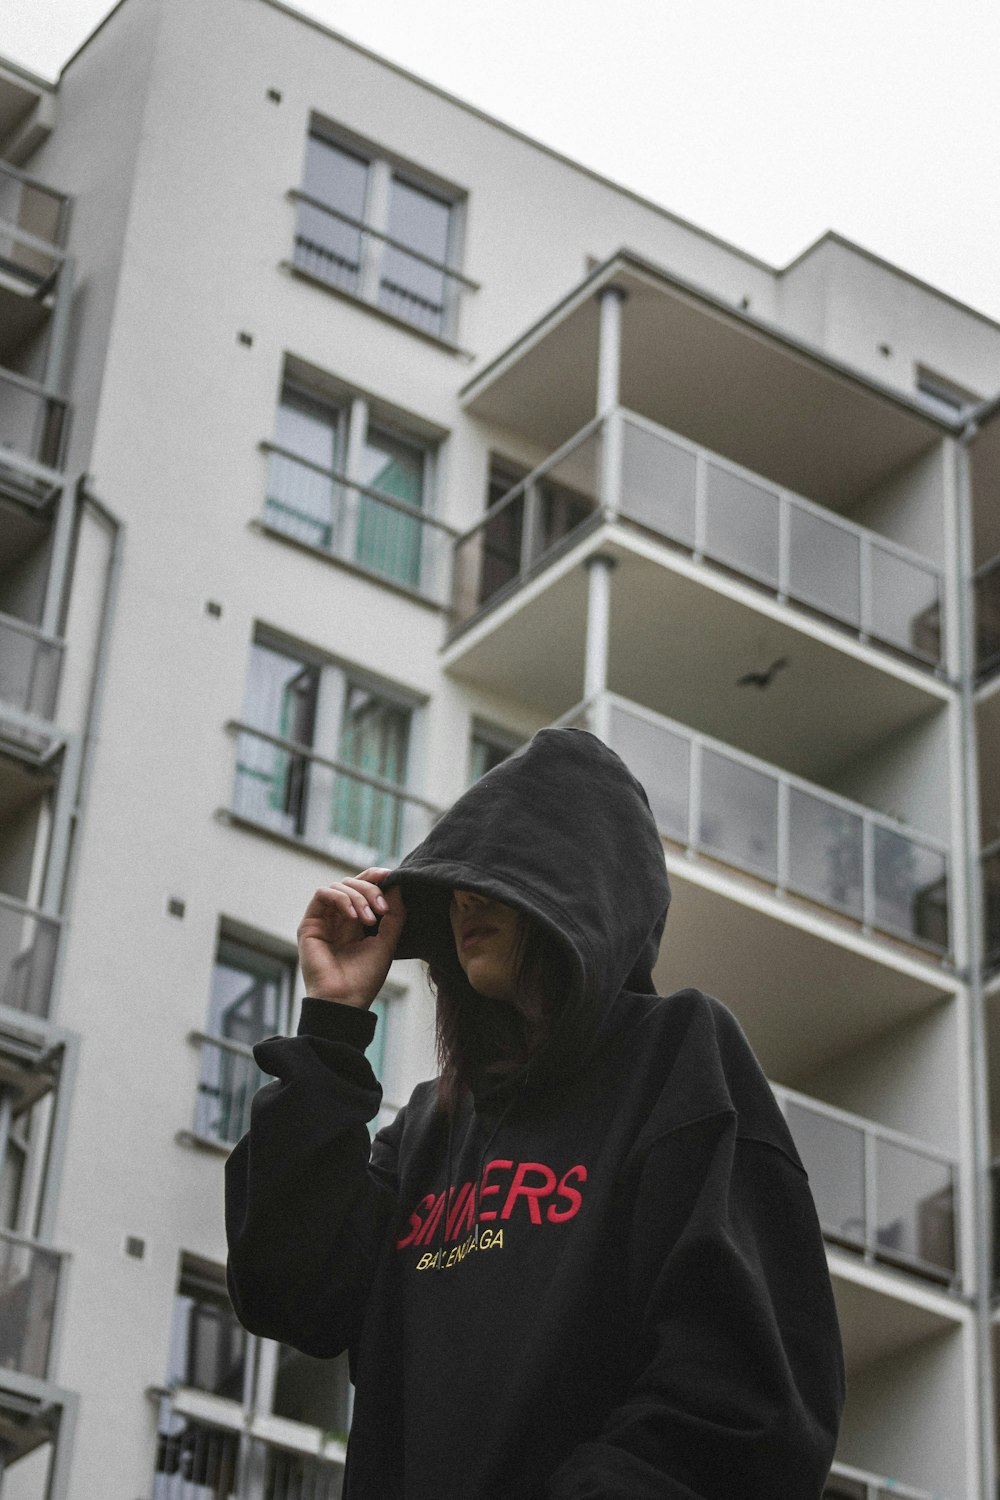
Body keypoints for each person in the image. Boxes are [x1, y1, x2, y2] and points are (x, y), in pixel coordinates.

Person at [225, 727, 845, 1499]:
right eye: (454, 883)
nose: (467, 899)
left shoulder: (677, 1058)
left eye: (501, 878)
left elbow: (745, 1399)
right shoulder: (426, 1133)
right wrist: (333, 1024)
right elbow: (288, 1292)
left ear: (577, 890)